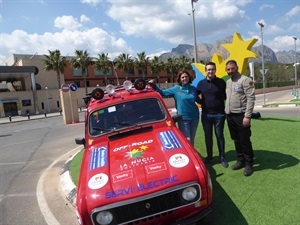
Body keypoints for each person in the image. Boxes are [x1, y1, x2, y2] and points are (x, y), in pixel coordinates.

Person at [148, 71, 201, 146]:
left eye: (186, 77)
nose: (185, 78)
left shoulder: (193, 89)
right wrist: (153, 85)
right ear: (179, 78)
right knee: (187, 140)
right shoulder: (176, 89)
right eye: (182, 77)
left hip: (195, 117)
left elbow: (198, 100)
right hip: (183, 119)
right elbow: (163, 93)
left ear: (189, 78)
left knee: (192, 140)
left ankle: (193, 156)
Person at [225, 60, 255, 176]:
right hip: (230, 115)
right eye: (228, 69)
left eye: (232, 68)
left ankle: (249, 163)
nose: (230, 71)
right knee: (236, 139)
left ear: (237, 67)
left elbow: (251, 99)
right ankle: (240, 160)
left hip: (241, 116)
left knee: (245, 140)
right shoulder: (228, 82)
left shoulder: (246, 80)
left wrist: (247, 116)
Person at [197, 62, 228, 168]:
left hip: (219, 115)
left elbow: (226, 97)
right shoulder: (201, 83)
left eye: (212, 69)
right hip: (206, 115)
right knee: (208, 137)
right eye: (208, 69)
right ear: (205, 71)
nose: (210, 71)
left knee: (219, 136)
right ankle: (210, 157)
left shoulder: (221, 82)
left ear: (215, 70)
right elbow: (194, 96)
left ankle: (222, 157)